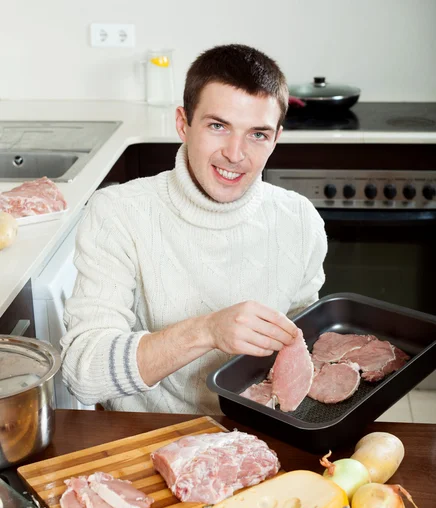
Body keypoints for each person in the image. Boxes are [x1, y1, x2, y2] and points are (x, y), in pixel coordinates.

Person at [61, 44, 327, 414]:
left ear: (276, 138)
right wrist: (207, 331)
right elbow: (81, 373)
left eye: (257, 134)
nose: (235, 153)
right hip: (151, 436)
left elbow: (301, 348)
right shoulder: (118, 213)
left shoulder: (300, 219)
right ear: (182, 124)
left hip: (259, 435)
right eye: (218, 126)